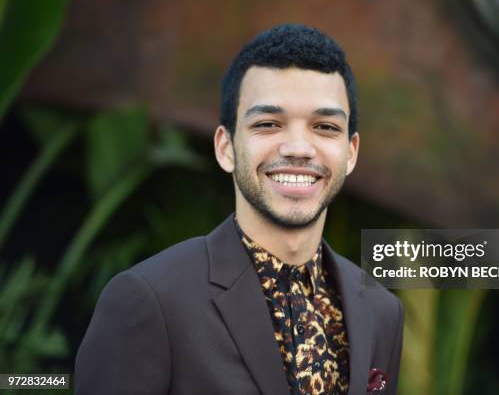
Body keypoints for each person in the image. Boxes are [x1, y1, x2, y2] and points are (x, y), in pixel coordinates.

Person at [75, 23, 404, 395]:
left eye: (325, 126)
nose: (298, 147)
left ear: (351, 152)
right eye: (268, 124)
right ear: (225, 147)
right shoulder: (152, 300)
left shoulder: (381, 311)